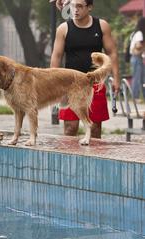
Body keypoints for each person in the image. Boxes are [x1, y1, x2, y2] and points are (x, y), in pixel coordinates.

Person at [50, 0, 120, 139]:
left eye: (80, 6)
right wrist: (53, 83)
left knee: (94, 129)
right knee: (70, 128)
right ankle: (68, 159)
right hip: (70, 84)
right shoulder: (63, 29)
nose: (75, 10)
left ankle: (95, 159)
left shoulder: (102, 26)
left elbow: (112, 53)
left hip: (95, 83)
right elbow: (56, 57)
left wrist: (116, 78)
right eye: (73, 6)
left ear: (89, 7)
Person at [130, 18, 145, 107]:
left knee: (141, 78)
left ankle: (139, 96)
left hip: (136, 58)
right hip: (136, 57)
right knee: (137, 78)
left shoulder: (135, 33)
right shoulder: (139, 34)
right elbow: (138, 46)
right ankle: (135, 97)